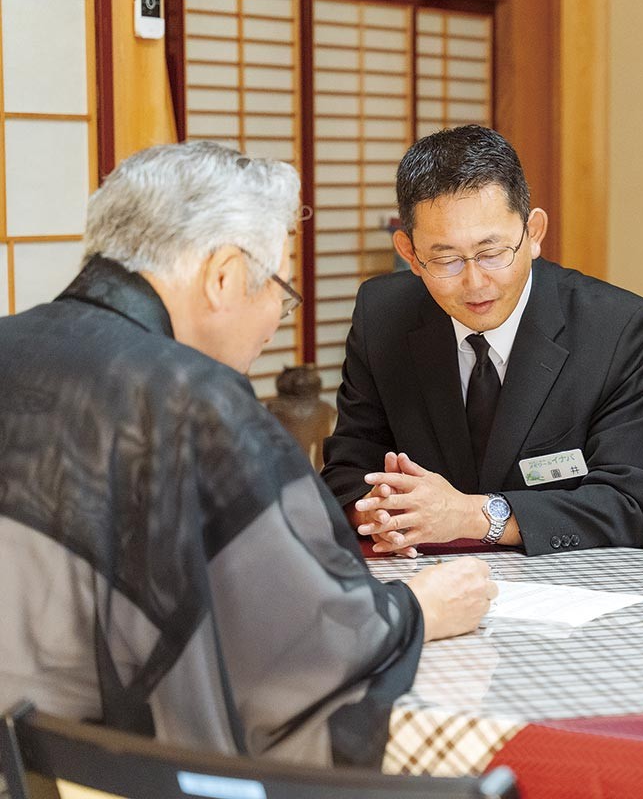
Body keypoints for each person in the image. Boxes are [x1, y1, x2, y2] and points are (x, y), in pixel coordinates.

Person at [0, 141, 496, 767]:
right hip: (117, 770)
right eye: (279, 289)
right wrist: (418, 608)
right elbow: (299, 640)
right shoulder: (194, 401)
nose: (275, 320)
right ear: (225, 276)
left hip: (32, 762)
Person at [322, 125, 643, 556]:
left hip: (589, 584)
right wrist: (378, 511)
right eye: (445, 258)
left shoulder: (617, 327)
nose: (474, 283)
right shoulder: (382, 316)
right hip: (436, 577)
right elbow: (348, 467)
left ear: (534, 233)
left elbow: (627, 502)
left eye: (492, 253)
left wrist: (471, 516)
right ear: (410, 253)